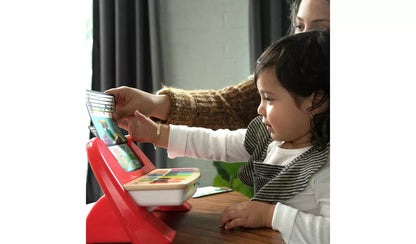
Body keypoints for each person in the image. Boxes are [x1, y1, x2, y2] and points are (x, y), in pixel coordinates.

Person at [117, 29, 330, 244]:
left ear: (315, 101)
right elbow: (217, 143)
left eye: (269, 99)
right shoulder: (268, 139)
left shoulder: (327, 166)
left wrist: (269, 215)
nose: (260, 109)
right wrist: (156, 133)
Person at [105, 0, 330, 130]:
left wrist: (269, 213)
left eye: (321, 29)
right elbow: (226, 107)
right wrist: (152, 103)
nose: (303, 39)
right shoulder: (284, 79)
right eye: (300, 26)